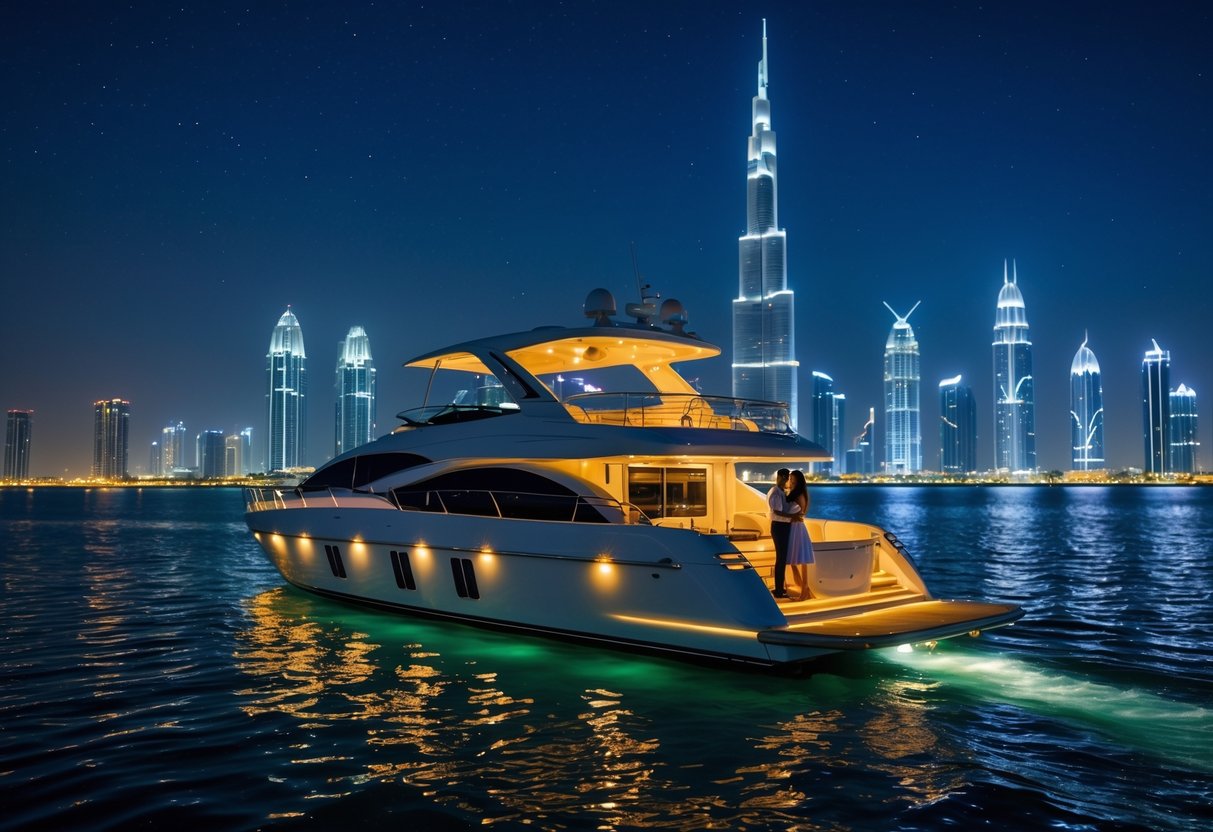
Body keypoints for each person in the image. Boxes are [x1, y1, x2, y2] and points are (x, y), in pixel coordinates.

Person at [767, 468, 802, 598]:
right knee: (781, 558)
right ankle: (779, 590)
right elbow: (776, 511)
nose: (788, 480)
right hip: (779, 527)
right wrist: (792, 517)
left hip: (782, 526)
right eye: (787, 477)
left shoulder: (781, 491)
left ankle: (780, 588)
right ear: (782, 477)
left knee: (782, 558)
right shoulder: (776, 492)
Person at [785, 469, 816, 600]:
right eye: (790, 479)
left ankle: (804, 588)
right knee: (796, 559)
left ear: (798, 481)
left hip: (795, 527)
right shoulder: (801, 494)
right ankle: (803, 587)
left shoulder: (797, 495)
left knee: (797, 559)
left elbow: (789, 511)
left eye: (792, 479)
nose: (790, 482)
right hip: (796, 526)